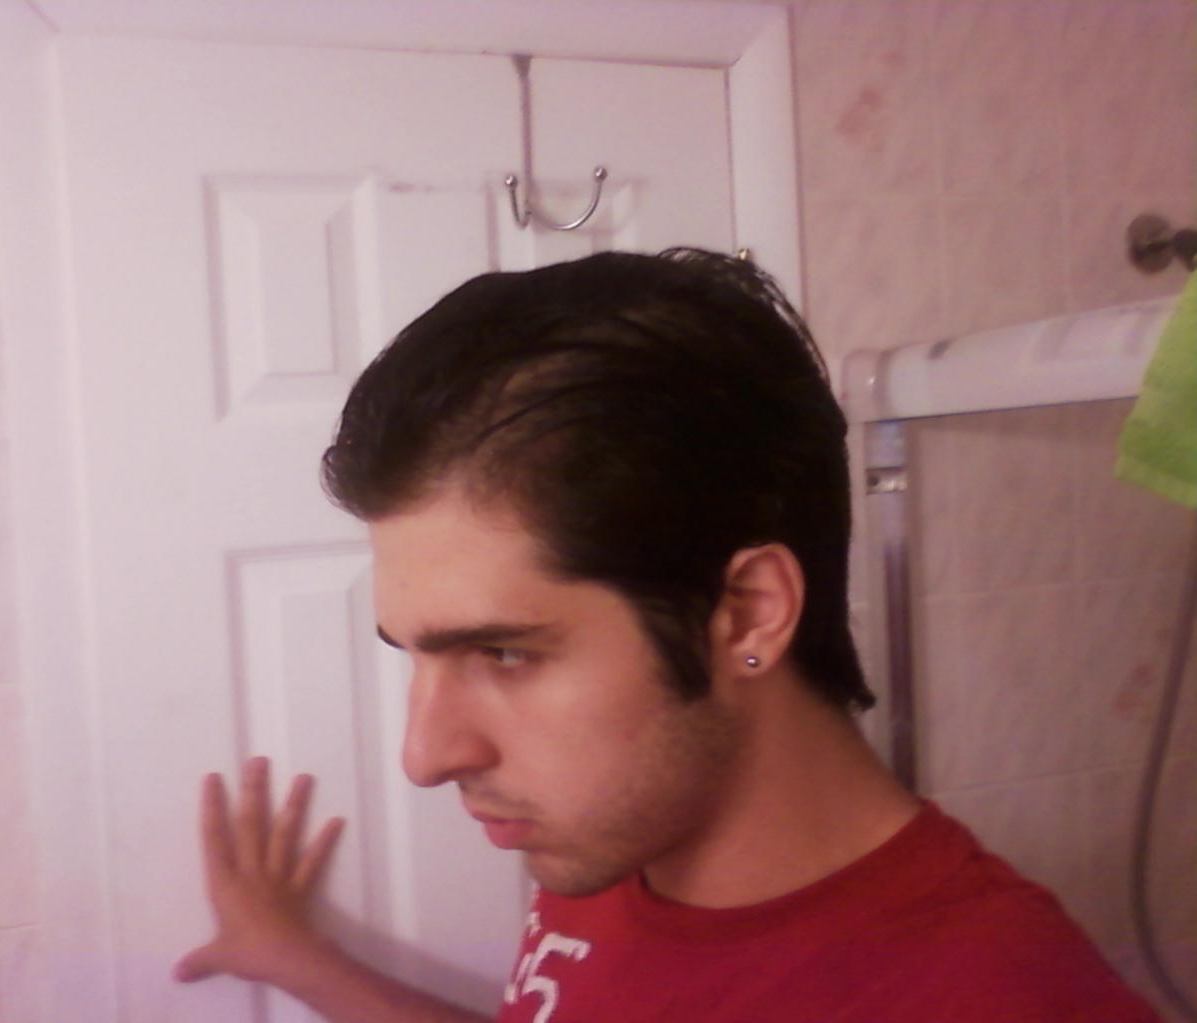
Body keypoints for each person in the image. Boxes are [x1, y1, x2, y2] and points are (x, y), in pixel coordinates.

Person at [174, 250, 1161, 1021]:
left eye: (504, 653)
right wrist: (300, 961)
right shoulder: (616, 830)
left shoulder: (991, 997)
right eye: (417, 654)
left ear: (747, 613)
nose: (425, 755)